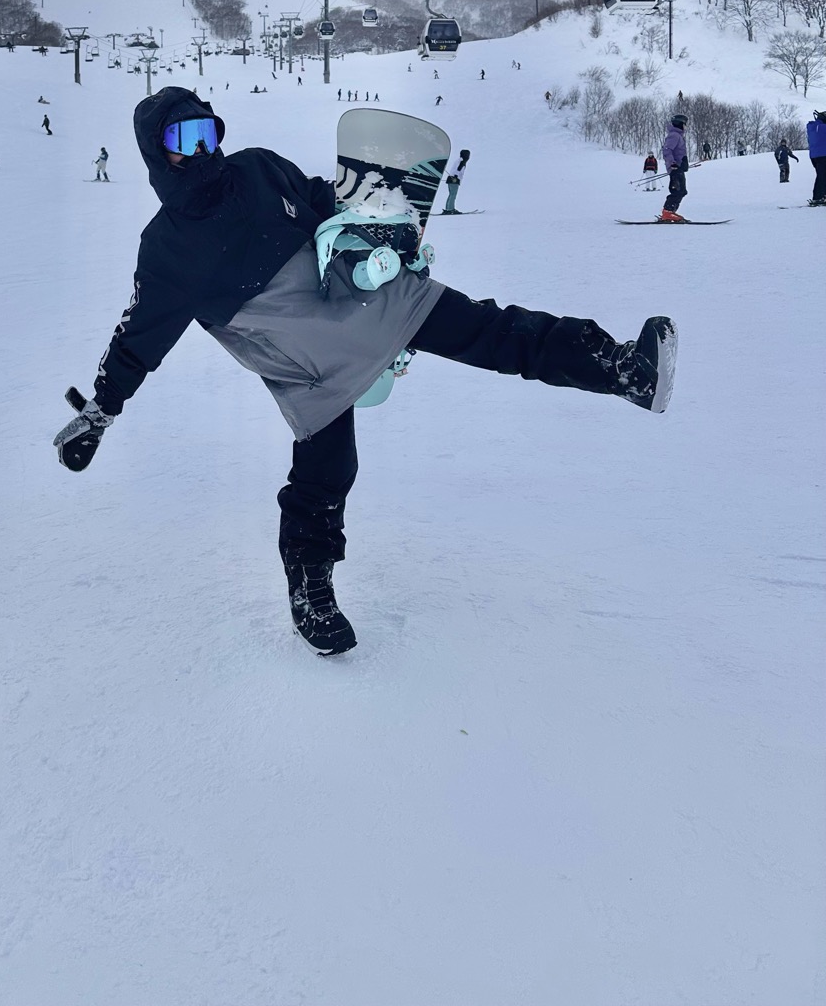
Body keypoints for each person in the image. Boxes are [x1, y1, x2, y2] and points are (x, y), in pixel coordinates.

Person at [53, 88, 678, 657]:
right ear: (157, 156)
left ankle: (625, 370)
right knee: (325, 477)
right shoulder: (164, 250)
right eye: (182, 140)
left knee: (499, 332)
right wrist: (99, 413)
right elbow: (136, 340)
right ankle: (312, 594)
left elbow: (322, 201)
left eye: (207, 133)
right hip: (310, 367)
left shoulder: (258, 168)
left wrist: (374, 221)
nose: (203, 150)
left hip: (371, 302)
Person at [660, 113, 689, 222]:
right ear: (679, 124)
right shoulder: (674, 135)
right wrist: (672, 163)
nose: (685, 127)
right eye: (684, 124)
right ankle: (667, 212)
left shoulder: (678, 136)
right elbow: (667, 150)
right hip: (675, 168)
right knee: (677, 190)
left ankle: (671, 212)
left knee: (682, 190)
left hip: (679, 167)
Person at [441, 149, 470, 214]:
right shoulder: (461, 161)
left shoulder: (460, 160)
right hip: (454, 179)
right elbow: (458, 169)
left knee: (451, 194)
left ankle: (448, 209)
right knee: (453, 194)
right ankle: (451, 209)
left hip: (452, 178)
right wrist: (456, 177)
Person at [809, 110, 826, 204]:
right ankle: (818, 197)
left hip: (814, 156)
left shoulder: (812, 127)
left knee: (821, 176)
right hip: (824, 155)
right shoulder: (823, 128)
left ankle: (821, 195)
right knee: (822, 177)